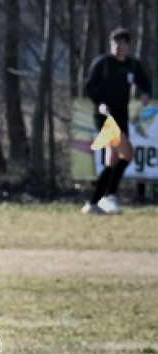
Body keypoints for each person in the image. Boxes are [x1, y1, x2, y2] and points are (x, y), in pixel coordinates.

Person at [82, 27, 152, 214]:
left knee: (112, 160)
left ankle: (94, 202)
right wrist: (100, 103)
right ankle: (108, 196)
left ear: (128, 46)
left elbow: (145, 82)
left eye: (121, 43)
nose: (118, 47)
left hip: (121, 116)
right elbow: (89, 87)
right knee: (127, 154)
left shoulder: (132, 65)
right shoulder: (103, 63)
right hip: (105, 117)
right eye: (115, 43)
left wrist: (145, 93)